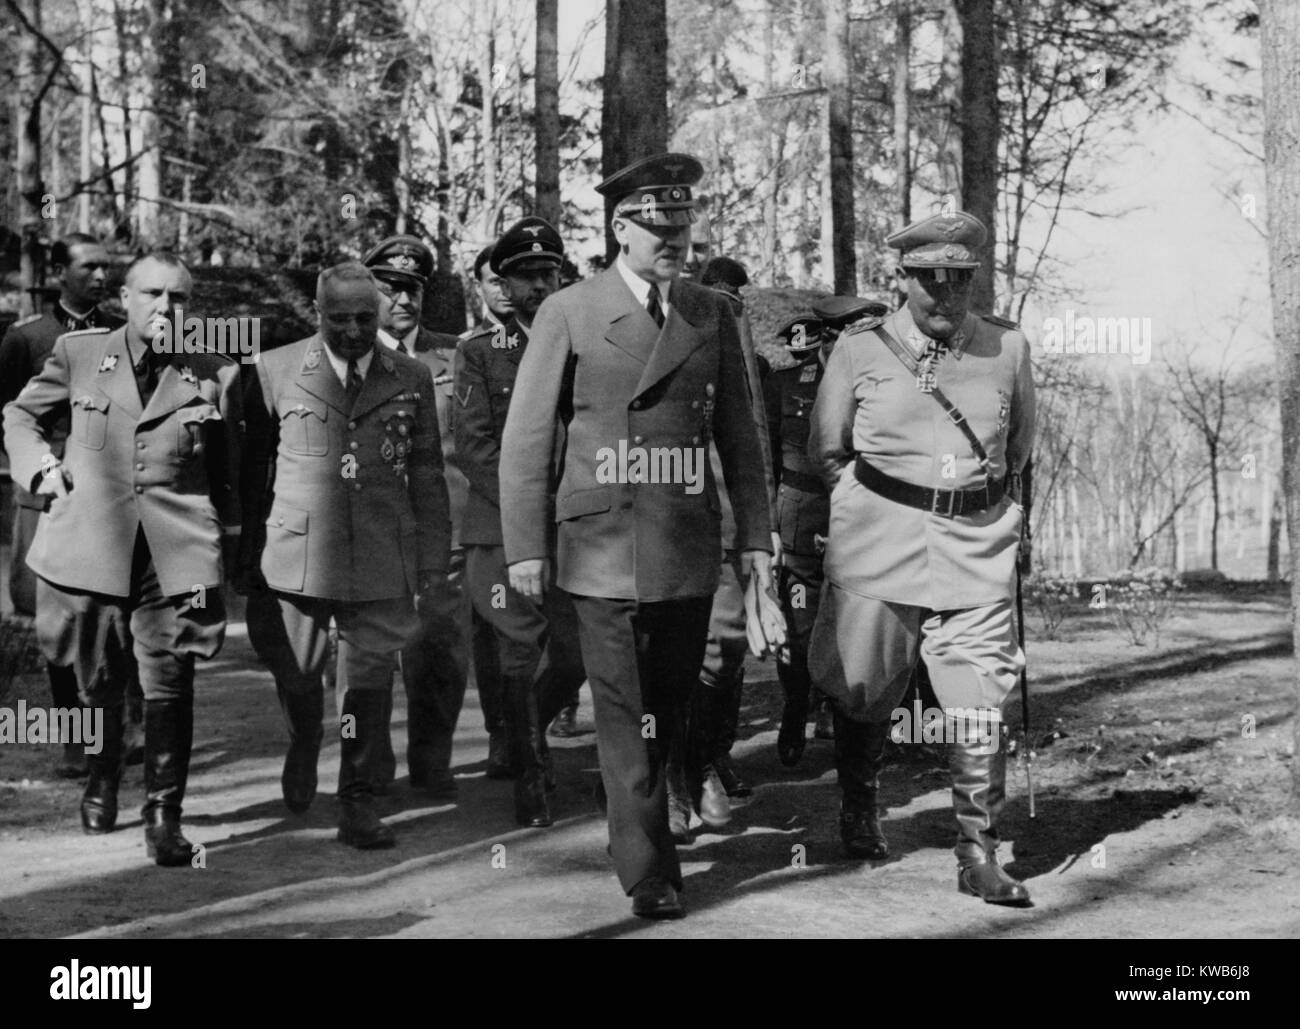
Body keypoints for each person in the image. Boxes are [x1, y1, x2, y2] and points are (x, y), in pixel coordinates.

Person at [499, 153, 773, 919]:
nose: (674, 240)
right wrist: (525, 547)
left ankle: (646, 812)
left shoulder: (710, 312)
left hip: (685, 543)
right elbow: (527, 440)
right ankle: (650, 866)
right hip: (602, 546)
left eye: (682, 225)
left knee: (670, 701)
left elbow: (742, 438)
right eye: (658, 227)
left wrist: (755, 537)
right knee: (622, 712)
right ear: (622, 228)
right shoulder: (570, 312)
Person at [807, 211, 1035, 904]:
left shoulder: (1008, 348)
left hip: (974, 543)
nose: (944, 295)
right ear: (902, 280)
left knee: (978, 700)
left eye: (958, 280)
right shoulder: (859, 350)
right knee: (864, 684)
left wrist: (1004, 522)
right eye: (929, 281)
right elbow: (828, 445)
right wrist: (858, 504)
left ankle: (978, 848)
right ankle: (858, 795)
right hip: (879, 538)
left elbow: (1020, 448)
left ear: (972, 279)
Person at [3, 252, 241, 866]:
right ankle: (102, 777)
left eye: (181, 297)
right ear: (128, 299)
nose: (168, 307)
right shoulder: (81, 355)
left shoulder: (214, 370)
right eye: (155, 294)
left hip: (176, 554)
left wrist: (231, 546)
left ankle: (164, 815)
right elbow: (20, 414)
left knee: (172, 673)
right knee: (100, 676)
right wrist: (39, 469)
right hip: (95, 546)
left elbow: (229, 471)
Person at [240, 261, 451, 849]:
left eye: (365, 317)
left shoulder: (409, 375)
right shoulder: (275, 368)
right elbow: (253, 471)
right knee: (300, 674)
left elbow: (428, 473)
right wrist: (246, 560)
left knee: (368, 681)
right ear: (318, 313)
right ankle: (305, 741)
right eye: (340, 319)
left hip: (384, 550)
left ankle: (357, 799)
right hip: (299, 553)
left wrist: (433, 561)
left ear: (379, 312)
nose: (354, 330)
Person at [455, 216, 586, 827]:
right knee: (516, 646)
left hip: (580, 528)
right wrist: (530, 511)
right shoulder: (480, 354)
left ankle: (517, 730)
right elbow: (476, 446)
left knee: (577, 651)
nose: (538, 286)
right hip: (503, 530)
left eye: (547, 273)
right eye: (525, 275)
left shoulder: (589, 342)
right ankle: (531, 773)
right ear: (505, 284)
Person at [0, 234, 143, 778]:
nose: (101, 277)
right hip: (48, 492)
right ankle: (71, 739)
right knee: (54, 621)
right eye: (89, 267)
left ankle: (125, 728)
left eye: (107, 268)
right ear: (61, 271)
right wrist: (39, 466)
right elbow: (10, 414)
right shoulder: (28, 337)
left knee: (121, 613)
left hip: (109, 491)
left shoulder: (120, 335)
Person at [665, 251, 777, 837]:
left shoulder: (748, 364)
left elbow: (754, 446)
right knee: (667, 655)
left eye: (735, 308)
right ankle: (673, 776)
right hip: (668, 523)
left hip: (732, 526)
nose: (726, 317)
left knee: (726, 649)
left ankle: (703, 755)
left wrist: (764, 528)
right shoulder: (661, 354)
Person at [356, 234, 472, 799]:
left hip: (438, 529)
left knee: (440, 653)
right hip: (371, 530)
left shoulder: (456, 356)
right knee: (367, 655)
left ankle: (432, 761)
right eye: (391, 288)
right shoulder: (346, 354)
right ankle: (370, 767)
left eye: (414, 289)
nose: (403, 299)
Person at [766, 296, 887, 768]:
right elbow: (765, 457)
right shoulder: (786, 383)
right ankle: (796, 709)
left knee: (857, 626)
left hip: (864, 520)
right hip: (803, 520)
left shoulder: (880, 381)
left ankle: (842, 719)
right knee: (799, 630)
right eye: (837, 335)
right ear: (826, 336)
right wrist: (770, 526)